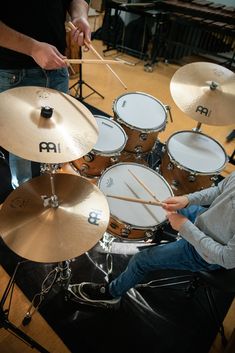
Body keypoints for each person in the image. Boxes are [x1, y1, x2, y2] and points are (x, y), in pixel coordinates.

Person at [71, 171, 235, 306]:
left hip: (205, 252)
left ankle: (111, 294)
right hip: (203, 218)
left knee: (140, 261)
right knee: (161, 204)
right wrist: (187, 200)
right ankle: (162, 233)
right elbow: (220, 190)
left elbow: (226, 258)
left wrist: (185, 227)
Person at [0, 0, 91, 189]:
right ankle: (26, 198)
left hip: (58, 67)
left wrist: (79, 15)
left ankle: (51, 197)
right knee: (22, 157)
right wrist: (32, 48)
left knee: (56, 143)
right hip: (13, 73)